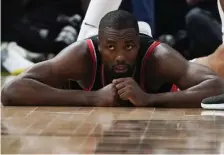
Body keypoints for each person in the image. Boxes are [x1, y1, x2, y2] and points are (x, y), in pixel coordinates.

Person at [1, 10, 224, 108]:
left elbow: (218, 87)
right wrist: (92, 98)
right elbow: (10, 92)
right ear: (99, 47)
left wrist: (149, 99)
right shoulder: (81, 55)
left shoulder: (157, 56)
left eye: (128, 47)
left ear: (139, 44)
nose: (119, 56)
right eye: (110, 47)